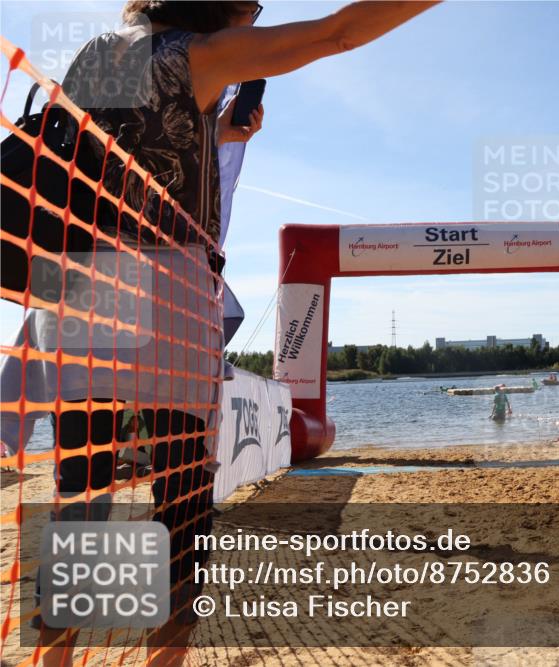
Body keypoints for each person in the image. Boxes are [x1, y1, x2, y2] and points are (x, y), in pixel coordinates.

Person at [27, 2, 439, 666]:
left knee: (84, 497)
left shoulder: (98, 52)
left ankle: (53, 659)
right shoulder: (197, 56)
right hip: (164, 295)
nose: (255, 16)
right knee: (182, 511)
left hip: (78, 294)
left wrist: (215, 134)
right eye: (252, 6)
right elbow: (338, 32)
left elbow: (124, 166)